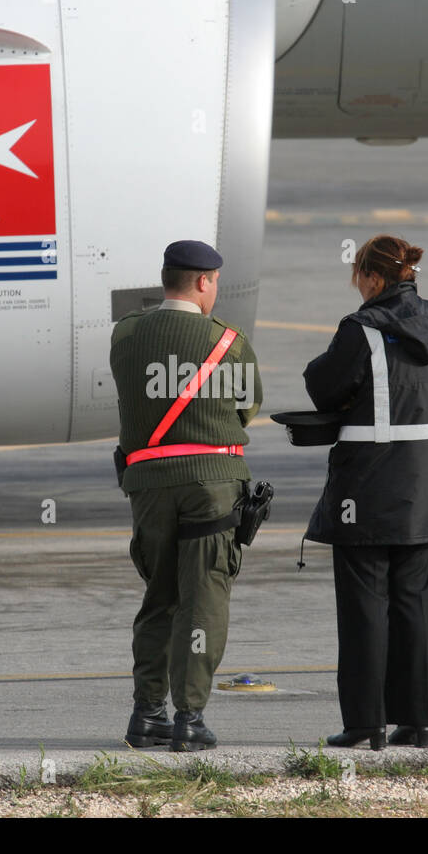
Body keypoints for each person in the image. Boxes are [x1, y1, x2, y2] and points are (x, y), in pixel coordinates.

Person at [302, 234, 428, 750]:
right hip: (423, 490)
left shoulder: (362, 329)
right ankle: (416, 722)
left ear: (372, 278)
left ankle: (365, 723)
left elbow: (323, 385)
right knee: (413, 606)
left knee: (364, 606)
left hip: (366, 493)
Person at [110, 240, 263, 751]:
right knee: (204, 598)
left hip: (148, 485)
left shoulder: (126, 335)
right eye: (214, 282)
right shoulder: (228, 342)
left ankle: (146, 714)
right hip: (211, 486)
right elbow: (246, 409)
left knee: (160, 597)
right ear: (204, 281)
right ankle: (189, 718)